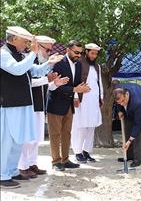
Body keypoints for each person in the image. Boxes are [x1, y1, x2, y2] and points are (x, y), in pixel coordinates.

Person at [0, 26, 62, 188]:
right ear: (14, 39)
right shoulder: (3, 54)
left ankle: (12, 171)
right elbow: (17, 70)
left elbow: (35, 71)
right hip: (8, 104)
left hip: (22, 103)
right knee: (7, 141)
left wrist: (49, 63)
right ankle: (2, 175)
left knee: (17, 140)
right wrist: (34, 53)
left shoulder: (20, 55)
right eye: (25, 40)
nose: (28, 44)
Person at [18, 36, 68, 178]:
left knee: (36, 138)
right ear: (37, 46)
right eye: (47, 49)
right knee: (27, 138)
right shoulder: (26, 60)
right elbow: (29, 83)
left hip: (40, 106)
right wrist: (47, 79)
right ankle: (22, 166)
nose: (49, 52)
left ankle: (32, 163)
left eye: (50, 50)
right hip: (28, 105)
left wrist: (56, 83)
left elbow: (48, 86)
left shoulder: (44, 63)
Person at [47, 40, 90, 171]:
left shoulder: (78, 65)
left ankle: (65, 160)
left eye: (80, 53)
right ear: (67, 50)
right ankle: (56, 162)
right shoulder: (57, 63)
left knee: (67, 133)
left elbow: (75, 84)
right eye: (76, 52)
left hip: (69, 105)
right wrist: (75, 90)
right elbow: (54, 86)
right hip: (55, 104)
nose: (79, 55)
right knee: (55, 134)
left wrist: (80, 90)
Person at [71, 43, 104, 163]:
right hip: (82, 99)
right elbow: (75, 81)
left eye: (96, 53)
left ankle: (86, 151)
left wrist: (101, 97)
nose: (94, 56)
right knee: (80, 126)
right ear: (86, 52)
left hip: (94, 100)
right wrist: (75, 96)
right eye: (92, 53)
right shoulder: (78, 63)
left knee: (91, 126)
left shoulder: (97, 66)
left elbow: (99, 83)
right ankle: (78, 152)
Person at [113, 83, 141, 167]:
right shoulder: (118, 90)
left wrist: (130, 140)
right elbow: (118, 103)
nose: (122, 104)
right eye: (120, 103)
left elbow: (138, 123)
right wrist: (119, 110)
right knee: (128, 129)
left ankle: (137, 159)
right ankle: (129, 156)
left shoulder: (138, 102)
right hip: (132, 109)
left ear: (126, 94)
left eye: (123, 101)